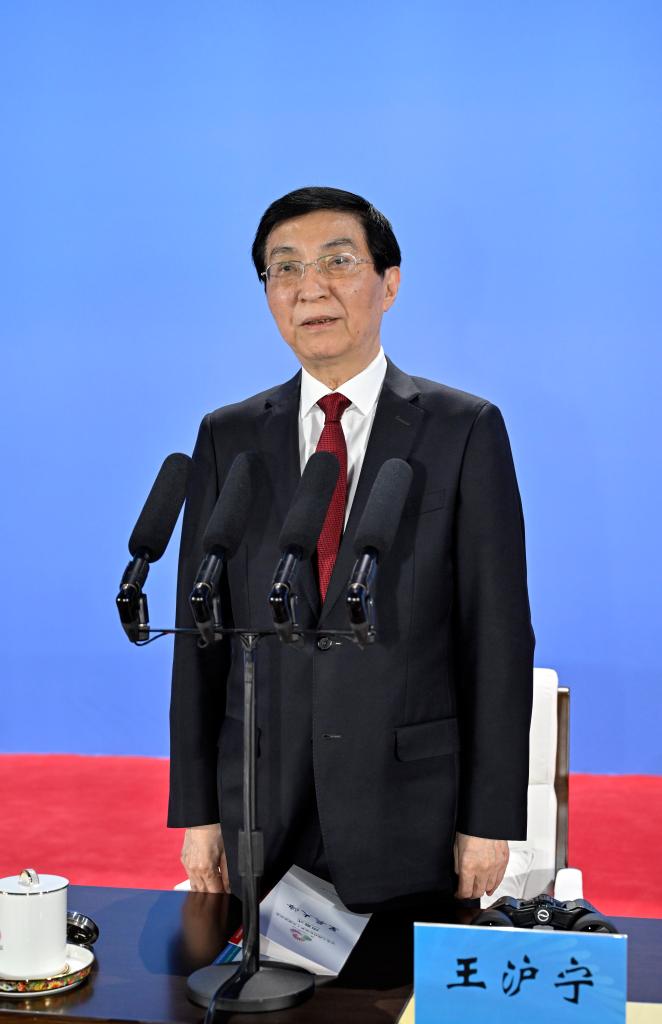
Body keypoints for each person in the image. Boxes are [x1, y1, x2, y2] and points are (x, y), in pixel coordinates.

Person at [168, 186, 534, 910]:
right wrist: (198, 813)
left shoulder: (463, 430)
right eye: (285, 268)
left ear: (389, 283)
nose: (311, 288)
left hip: (410, 808)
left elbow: (496, 636)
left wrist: (488, 820)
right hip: (260, 806)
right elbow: (199, 640)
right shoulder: (227, 437)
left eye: (337, 262)